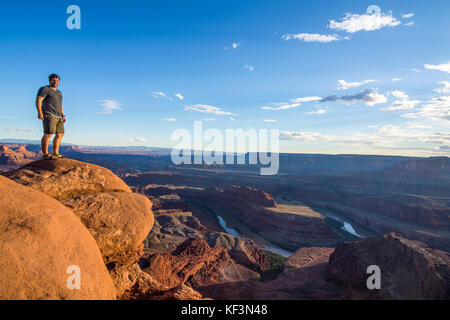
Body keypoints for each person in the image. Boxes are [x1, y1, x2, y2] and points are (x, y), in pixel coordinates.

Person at [36, 74, 66, 160]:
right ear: (50, 80)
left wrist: (63, 115)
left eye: (57, 81)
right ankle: (45, 154)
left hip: (58, 116)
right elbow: (39, 100)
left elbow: (60, 105)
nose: (55, 82)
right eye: (53, 80)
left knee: (60, 134)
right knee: (48, 133)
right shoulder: (45, 89)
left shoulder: (59, 92)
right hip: (49, 114)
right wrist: (40, 112)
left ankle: (55, 153)